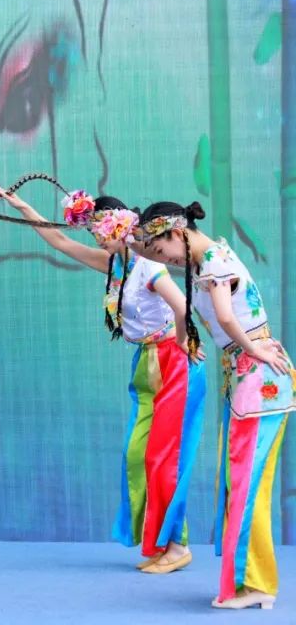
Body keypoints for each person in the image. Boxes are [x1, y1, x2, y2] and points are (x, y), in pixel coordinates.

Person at [0, 186, 206, 573]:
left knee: (163, 457)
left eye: (98, 231)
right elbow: (59, 241)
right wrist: (22, 205)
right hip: (147, 364)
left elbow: (183, 307)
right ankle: (160, 542)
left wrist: (182, 340)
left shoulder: (149, 267)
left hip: (173, 363)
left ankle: (176, 545)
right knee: (136, 455)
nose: (94, 238)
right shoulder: (114, 265)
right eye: (91, 231)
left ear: (118, 228)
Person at [138, 200, 294, 610]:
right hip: (242, 376)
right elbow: (137, 248)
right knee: (239, 480)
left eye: (163, 251)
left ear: (177, 233)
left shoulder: (213, 262)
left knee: (248, 484)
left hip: (258, 378)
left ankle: (255, 585)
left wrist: (254, 350)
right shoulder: (205, 259)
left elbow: (225, 317)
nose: (165, 261)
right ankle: (248, 582)